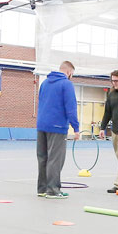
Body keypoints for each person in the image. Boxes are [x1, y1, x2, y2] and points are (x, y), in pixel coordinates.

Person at [36, 61, 82, 199]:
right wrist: (76, 128)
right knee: (55, 159)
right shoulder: (66, 84)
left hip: (41, 125)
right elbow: (71, 107)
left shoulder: (44, 83)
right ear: (69, 72)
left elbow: (41, 102)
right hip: (58, 127)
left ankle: (42, 189)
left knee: (43, 157)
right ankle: (53, 190)